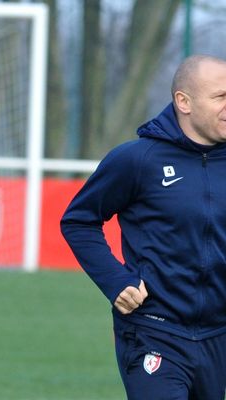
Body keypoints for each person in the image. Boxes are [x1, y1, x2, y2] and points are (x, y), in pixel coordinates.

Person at [61, 55, 226, 399]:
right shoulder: (137, 160)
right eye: (220, 97)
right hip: (154, 331)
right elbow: (79, 221)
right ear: (184, 102)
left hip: (217, 337)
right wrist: (116, 280)